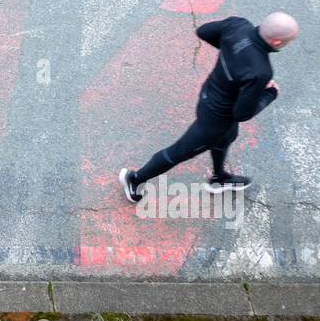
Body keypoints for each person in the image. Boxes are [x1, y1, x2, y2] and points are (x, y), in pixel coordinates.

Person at [119, 12, 298, 202]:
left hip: (208, 95)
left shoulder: (238, 25)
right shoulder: (260, 71)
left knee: (228, 136)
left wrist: (230, 54)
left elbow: (203, 31)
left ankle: (219, 177)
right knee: (178, 152)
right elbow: (242, 113)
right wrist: (270, 94)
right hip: (216, 118)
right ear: (277, 42)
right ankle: (135, 179)